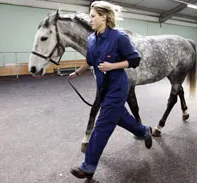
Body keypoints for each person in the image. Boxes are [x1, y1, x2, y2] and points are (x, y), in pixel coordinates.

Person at [69, 1, 153, 179]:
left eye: (93, 16)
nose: (90, 19)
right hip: (103, 88)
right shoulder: (91, 39)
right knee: (122, 118)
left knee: (102, 125)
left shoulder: (119, 37)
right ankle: (145, 131)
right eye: (90, 16)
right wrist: (77, 71)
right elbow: (90, 60)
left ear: (104, 17)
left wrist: (112, 65)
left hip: (117, 87)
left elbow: (135, 60)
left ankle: (88, 166)